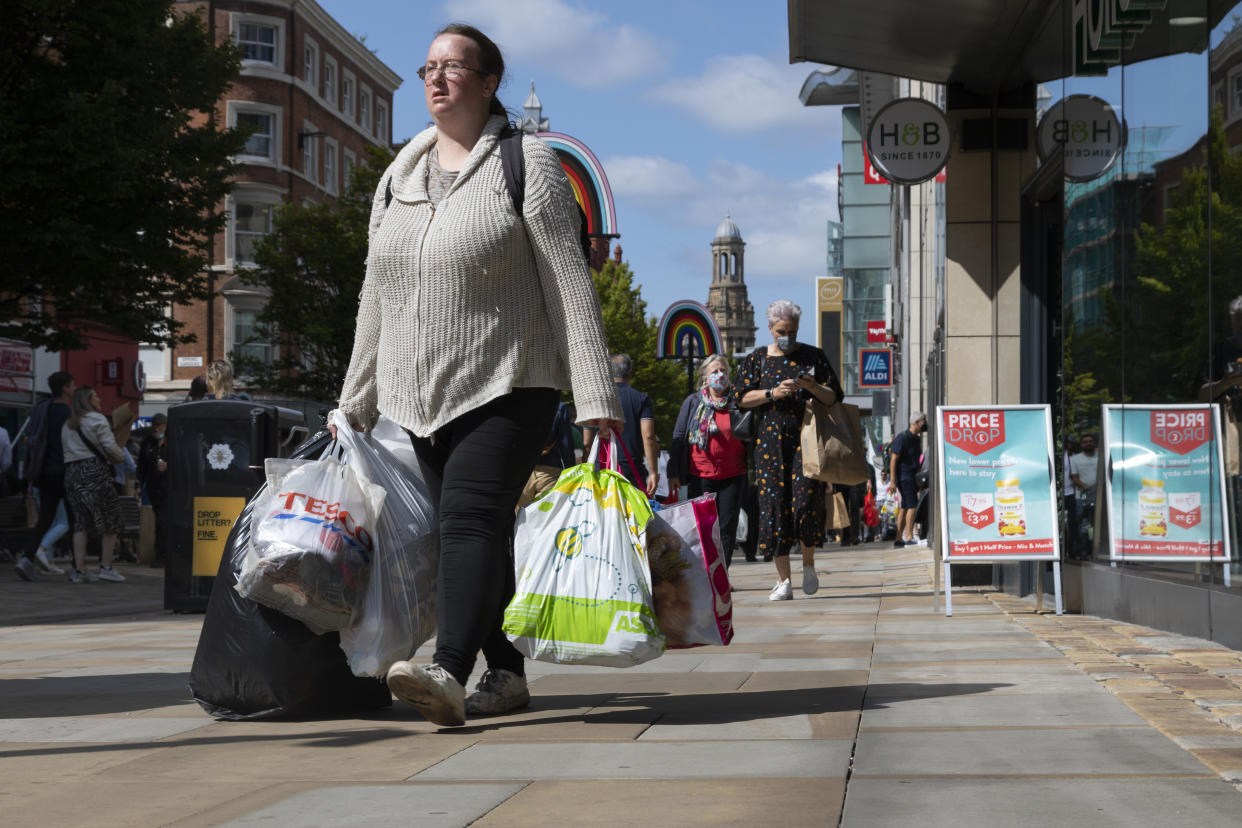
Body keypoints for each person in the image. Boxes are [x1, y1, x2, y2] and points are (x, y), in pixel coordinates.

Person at [334, 23, 620, 728]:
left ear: (489, 82)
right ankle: (510, 672)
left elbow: (566, 281)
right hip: (417, 391)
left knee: (466, 520)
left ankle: (449, 670)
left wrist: (594, 393)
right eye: (428, 66)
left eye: (454, 67)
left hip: (509, 380)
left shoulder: (529, 163)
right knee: (479, 530)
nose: (435, 78)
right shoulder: (398, 176)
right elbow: (377, 291)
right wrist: (355, 397)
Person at [736, 300, 844, 600]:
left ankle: (808, 563)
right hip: (770, 441)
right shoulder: (757, 359)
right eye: (781, 331)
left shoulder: (812, 356)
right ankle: (783, 580)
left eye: (792, 331)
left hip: (806, 438)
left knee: (806, 502)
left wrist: (810, 386)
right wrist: (773, 392)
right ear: (770, 329)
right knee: (773, 507)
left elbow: (833, 396)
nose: (787, 337)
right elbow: (740, 397)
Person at [668, 354, 749, 566]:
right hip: (700, 475)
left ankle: (722, 573)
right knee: (704, 527)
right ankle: (706, 573)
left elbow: (749, 434)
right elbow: (679, 437)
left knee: (726, 528)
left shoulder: (738, 402)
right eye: (714, 372)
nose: (720, 375)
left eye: (723, 371)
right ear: (705, 378)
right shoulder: (693, 402)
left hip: (733, 475)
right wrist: (673, 473)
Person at [62, 387, 126, 583]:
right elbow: (109, 447)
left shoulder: (67, 425)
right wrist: (120, 456)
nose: (99, 398)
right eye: (96, 395)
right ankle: (106, 567)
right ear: (89, 400)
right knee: (110, 519)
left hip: (72, 473)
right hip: (94, 471)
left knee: (80, 522)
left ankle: (79, 571)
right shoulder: (97, 420)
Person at [16, 371, 75, 580]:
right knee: (74, 520)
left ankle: (26, 558)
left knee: (45, 520)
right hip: (64, 472)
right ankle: (77, 569)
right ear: (65, 388)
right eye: (72, 385)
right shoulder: (66, 414)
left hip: (44, 473)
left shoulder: (42, 410)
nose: (75, 388)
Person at [582, 354, 659, 496]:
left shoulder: (596, 400)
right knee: (633, 515)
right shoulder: (641, 399)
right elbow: (648, 436)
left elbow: (586, 442)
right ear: (630, 374)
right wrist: (653, 472)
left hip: (600, 467)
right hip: (631, 467)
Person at [890, 411, 928, 547]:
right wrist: (893, 480)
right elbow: (894, 459)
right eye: (923, 421)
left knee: (905, 507)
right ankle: (909, 537)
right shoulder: (903, 437)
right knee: (912, 505)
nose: (925, 423)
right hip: (904, 477)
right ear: (916, 422)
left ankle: (898, 539)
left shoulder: (916, 438)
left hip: (912, 477)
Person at [138, 413, 169, 566]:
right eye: (154, 425)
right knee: (160, 521)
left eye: (159, 425)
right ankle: (161, 555)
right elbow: (142, 466)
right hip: (153, 487)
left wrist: (169, 467)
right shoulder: (148, 443)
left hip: (168, 488)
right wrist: (140, 484)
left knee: (163, 522)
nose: (156, 428)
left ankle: (163, 556)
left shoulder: (172, 442)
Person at [1069, 432, 1099, 544]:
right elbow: (1075, 478)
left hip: (1099, 496)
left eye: (1090, 441)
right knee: (1084, 523)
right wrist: (1088, 488)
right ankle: (1085, 550)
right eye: (1085, 442)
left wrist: (1097, 489)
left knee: (1098, 523)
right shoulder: (1075, 459)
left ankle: (1096, 547)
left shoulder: (1101, 457)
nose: (1088, 444)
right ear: (1081, 445)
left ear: (1095, 443)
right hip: (1082, 497)